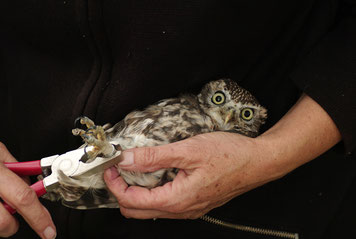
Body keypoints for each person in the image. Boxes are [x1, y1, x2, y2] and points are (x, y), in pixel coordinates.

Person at [0, 0, 355, 238]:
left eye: (241, 115)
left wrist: (273, 155)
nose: (226, 115)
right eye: (220, 101)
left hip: (250, 207)